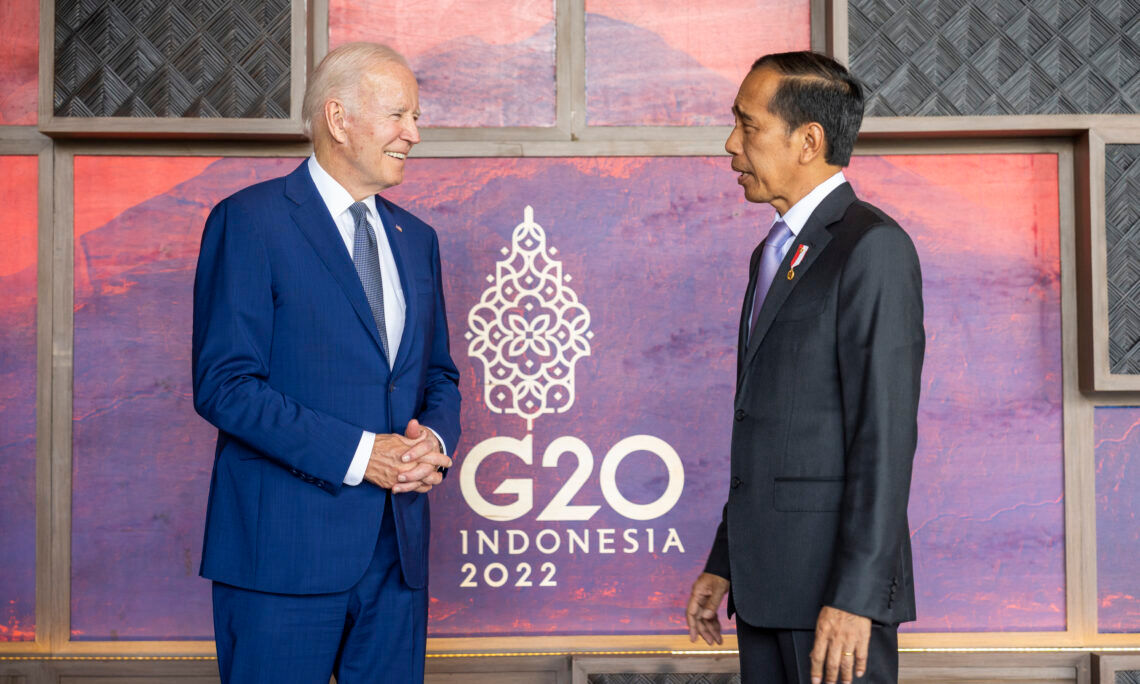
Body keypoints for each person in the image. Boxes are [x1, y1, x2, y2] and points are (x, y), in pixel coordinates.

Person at [192, 42, 460, 683]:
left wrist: (435, 443)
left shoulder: (417, 239)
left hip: (398, 556)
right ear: (339, 119)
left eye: (416, 118)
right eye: (399, 116)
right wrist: (362, 453)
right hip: (280, 558)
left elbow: (438, 376)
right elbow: (225, 386)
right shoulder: (249, 222)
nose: (414, 135)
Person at [684, 52, 925, 684]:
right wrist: (727, 560)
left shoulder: (872, 248)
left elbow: (884, 437)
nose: (731, 144)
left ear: (809, 140)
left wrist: (857, 597)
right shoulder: (773, 251)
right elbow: (772, 432)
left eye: (748, 125)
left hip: (833, 600)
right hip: (767, 587)